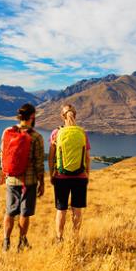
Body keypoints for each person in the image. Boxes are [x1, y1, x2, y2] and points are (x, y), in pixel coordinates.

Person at [0, 103, 45, 252]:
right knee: (25, 213)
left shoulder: (7, 132)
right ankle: (21, 242)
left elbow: (3, 155)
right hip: (29, 181)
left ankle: (6, 242)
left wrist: (7, 173)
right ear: (32, 117)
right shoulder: (36, 137)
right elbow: (39, 163)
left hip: (11, 179)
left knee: (10, 211)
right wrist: (42, 182)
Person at [48, 104, 90, 242]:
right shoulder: (82, 133)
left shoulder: (56, 133)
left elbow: (51, 157)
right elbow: (87, 157)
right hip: (80, 177)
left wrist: (51, 174)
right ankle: (75, 237)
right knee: (77, 209)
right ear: (75, 115)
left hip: (61, 177)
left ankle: (59, 238)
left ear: (62, 116)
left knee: (61, 210)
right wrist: (87, 174)